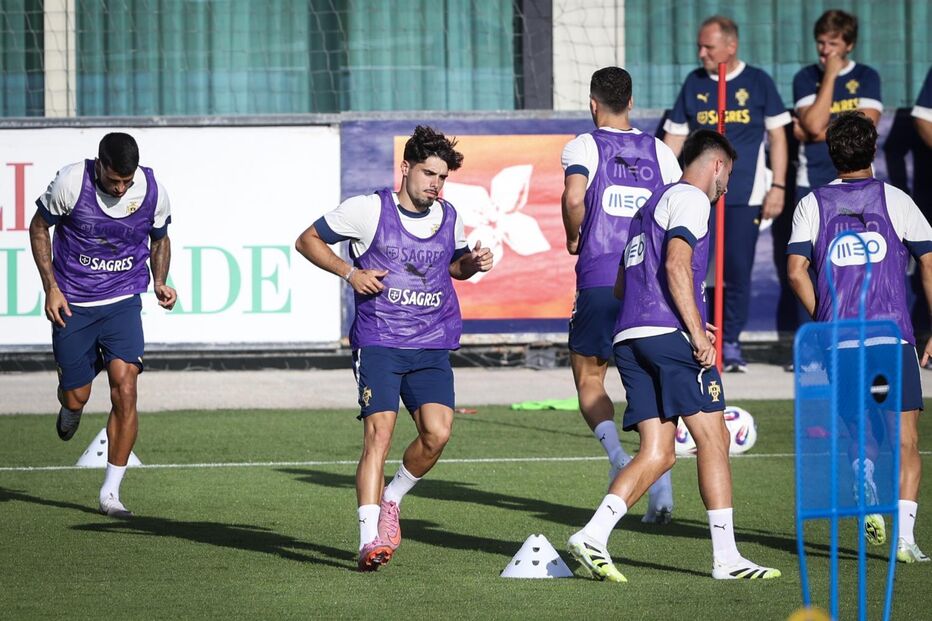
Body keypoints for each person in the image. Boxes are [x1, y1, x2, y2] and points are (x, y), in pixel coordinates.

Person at [567, 129, 781, 582]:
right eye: (729, 177)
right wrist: (694, 329)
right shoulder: (691, 199)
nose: (726, 188)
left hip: (630, 337)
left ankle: (592, 535)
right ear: (718, 165)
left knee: (659, 452)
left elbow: (625, 283)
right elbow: (676, 264)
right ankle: (726, 559)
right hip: (669, 336)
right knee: (714, 439)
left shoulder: (649, 206)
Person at [295, 125, 493, 572]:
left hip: (431, 342)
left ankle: (392, 498)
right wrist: (350, 273)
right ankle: (369, 541)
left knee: (438, 434)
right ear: (405, 168)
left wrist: (473, 263)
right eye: (428, 174)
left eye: (442, 177)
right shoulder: (367, 210)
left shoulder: (449, 214)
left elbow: (455, 266)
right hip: (381, 340)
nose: (436, 185)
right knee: (378, 437)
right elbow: (306, 239)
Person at [787, 111, 932, 563]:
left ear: (829, 152)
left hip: (842, 342)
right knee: (904, 437)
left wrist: (827, 318)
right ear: (872, 150)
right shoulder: (896, 200)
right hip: (890, 339)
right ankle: (905, 541)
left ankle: (862, 471)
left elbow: (795, 271)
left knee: (860, 425)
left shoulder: (812, 204)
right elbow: (928, 262)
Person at [28, 132, 177, 518]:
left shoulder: (152, 189)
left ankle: (110, 493)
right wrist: (51, 288)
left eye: (126, 182)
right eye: (114, 181)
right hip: (74, 303)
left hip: (122, 300)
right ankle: (72, 405)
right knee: (76, 395)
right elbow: (39, 227)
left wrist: (160, 281)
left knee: (126, 387)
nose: (120, 188)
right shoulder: (70, 182)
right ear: (100, 165)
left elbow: (160, 238)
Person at [561, 66, 681, 523]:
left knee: (590, 377)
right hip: (648, 283)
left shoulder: (585, 145)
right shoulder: (660, 152)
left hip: (598, 277)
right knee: (649, 380)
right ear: (632, 103)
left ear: (593, 104)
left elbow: (575, 199)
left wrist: (575, 235)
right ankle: (661, 479)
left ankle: (617, 458)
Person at [663, 15, 790, 373]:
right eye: (699, 47)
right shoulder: (694, 83)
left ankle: (730, 341)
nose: (701, 53)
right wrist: (659, 184)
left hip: (743, 195)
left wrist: (778, 185)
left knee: (735, 270)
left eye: (709, 47)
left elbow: (778, 136)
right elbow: (673, 137)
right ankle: (695, 337)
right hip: (698, 198)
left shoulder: (758, 82)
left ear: (730, 46)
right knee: (694, 267)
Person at [793, 10, 882, 199]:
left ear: (849, 45)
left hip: (858, 180)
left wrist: (812, 135)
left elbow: (863, 130)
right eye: (820, 42)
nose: (825, 50)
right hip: (812, 179)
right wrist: (831, 75)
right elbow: (815, 124)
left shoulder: (867, 76)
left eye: (833, 44)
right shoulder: (805, 77)